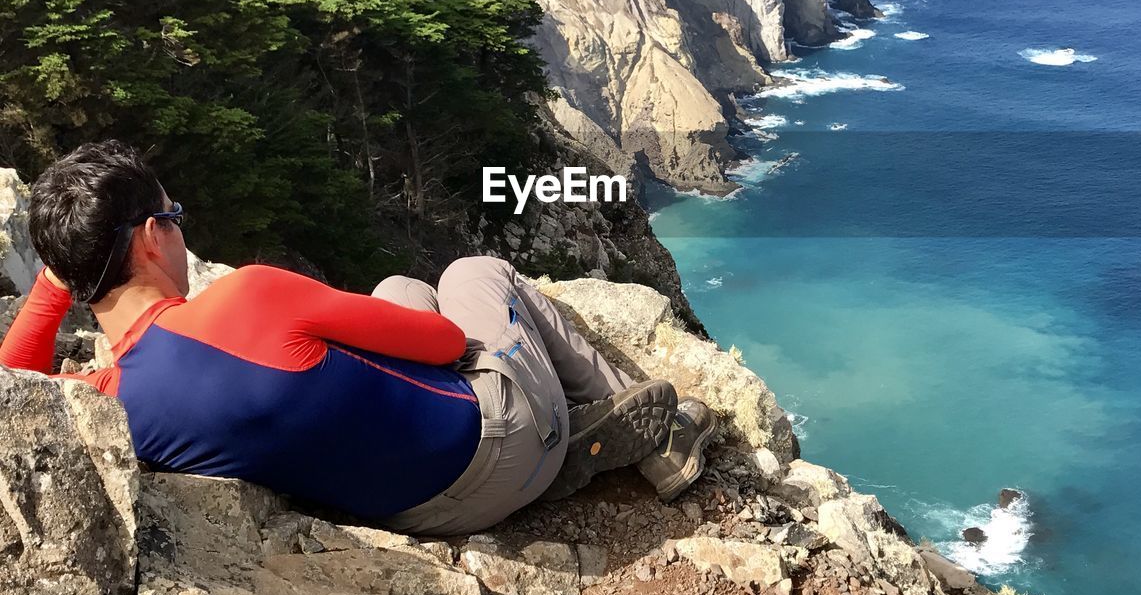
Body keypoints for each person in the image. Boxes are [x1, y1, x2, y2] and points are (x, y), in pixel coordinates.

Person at [0, 141, 718, 534]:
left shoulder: (107, 403)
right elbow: (439, 342)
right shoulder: (247, 295)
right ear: (154, 237)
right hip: (504, 449)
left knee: (396, 289)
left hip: (420, 514)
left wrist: (66, 271)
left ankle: (577, 447)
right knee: (470, 274)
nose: (182, 228)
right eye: (175, 213)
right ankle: (660, 441)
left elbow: (13, 391)